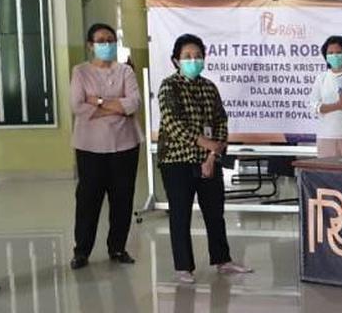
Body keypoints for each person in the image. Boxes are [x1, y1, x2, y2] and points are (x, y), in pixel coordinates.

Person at [157, 33, 252, 284]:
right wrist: (205, 143)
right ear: (176, 60)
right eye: (187, 56)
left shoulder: (209, 87)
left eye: (198, 56)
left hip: (209, 159)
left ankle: (222, 260)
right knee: (180, 214)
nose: (193, 60)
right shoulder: (169, 86)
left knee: (214, 212)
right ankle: (183, 267)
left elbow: (221, 121)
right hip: (176, 161)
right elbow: (173, 124)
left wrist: (212, 155)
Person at [69, 23, 143, 270]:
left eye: (111, 40)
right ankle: (82, 251)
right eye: (101, 40)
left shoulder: (125, 71)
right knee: (88, 200)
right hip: (90, 146)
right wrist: (117, 108)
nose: (107, 44)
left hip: (125, 144)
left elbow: (133, 103)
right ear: (90, 45)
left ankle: (118, 247)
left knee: (122, 198)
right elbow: (77, 105)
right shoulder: (80, 71)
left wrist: (98, 102)